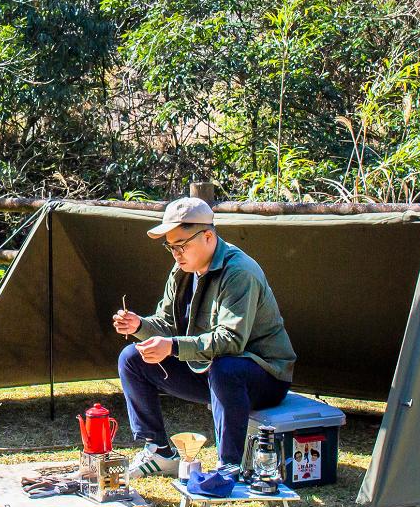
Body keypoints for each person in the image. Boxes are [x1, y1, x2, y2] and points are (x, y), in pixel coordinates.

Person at [111, 197, 297, 476]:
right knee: (132, 358)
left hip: (264, 376)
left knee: (226, 368)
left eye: (181, 246)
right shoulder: (182, 271)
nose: (175, 254)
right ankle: (160, 452)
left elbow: (230, 341)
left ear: (208, 236)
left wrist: (171, 346)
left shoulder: (239, 272)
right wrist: (139, 326)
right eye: (170, 247)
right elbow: (167, 324)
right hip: (208, 368)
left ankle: (229, 467)